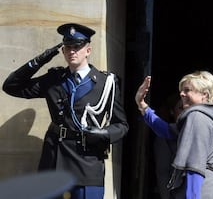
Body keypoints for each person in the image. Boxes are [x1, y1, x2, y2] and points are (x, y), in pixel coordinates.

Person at [2, 23, 129, 199]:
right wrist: (41, 59)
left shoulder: (105, 83)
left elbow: (121, 125)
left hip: (87, 164)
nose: (72, 51)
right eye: (68, 47)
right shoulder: (53, 80)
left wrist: (103, 133)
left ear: (88, 50)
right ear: (63, 51)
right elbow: (11, 86)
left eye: (77, 47)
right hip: (54, 163)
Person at [135, 71, 213, 199]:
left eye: (187, 90)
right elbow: (167, 131)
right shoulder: (206, 117)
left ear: (204, 95)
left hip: (204, 190)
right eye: (182, 90)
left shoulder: (197, 117)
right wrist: (142, 106)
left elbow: (195, 166)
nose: (181, 94)